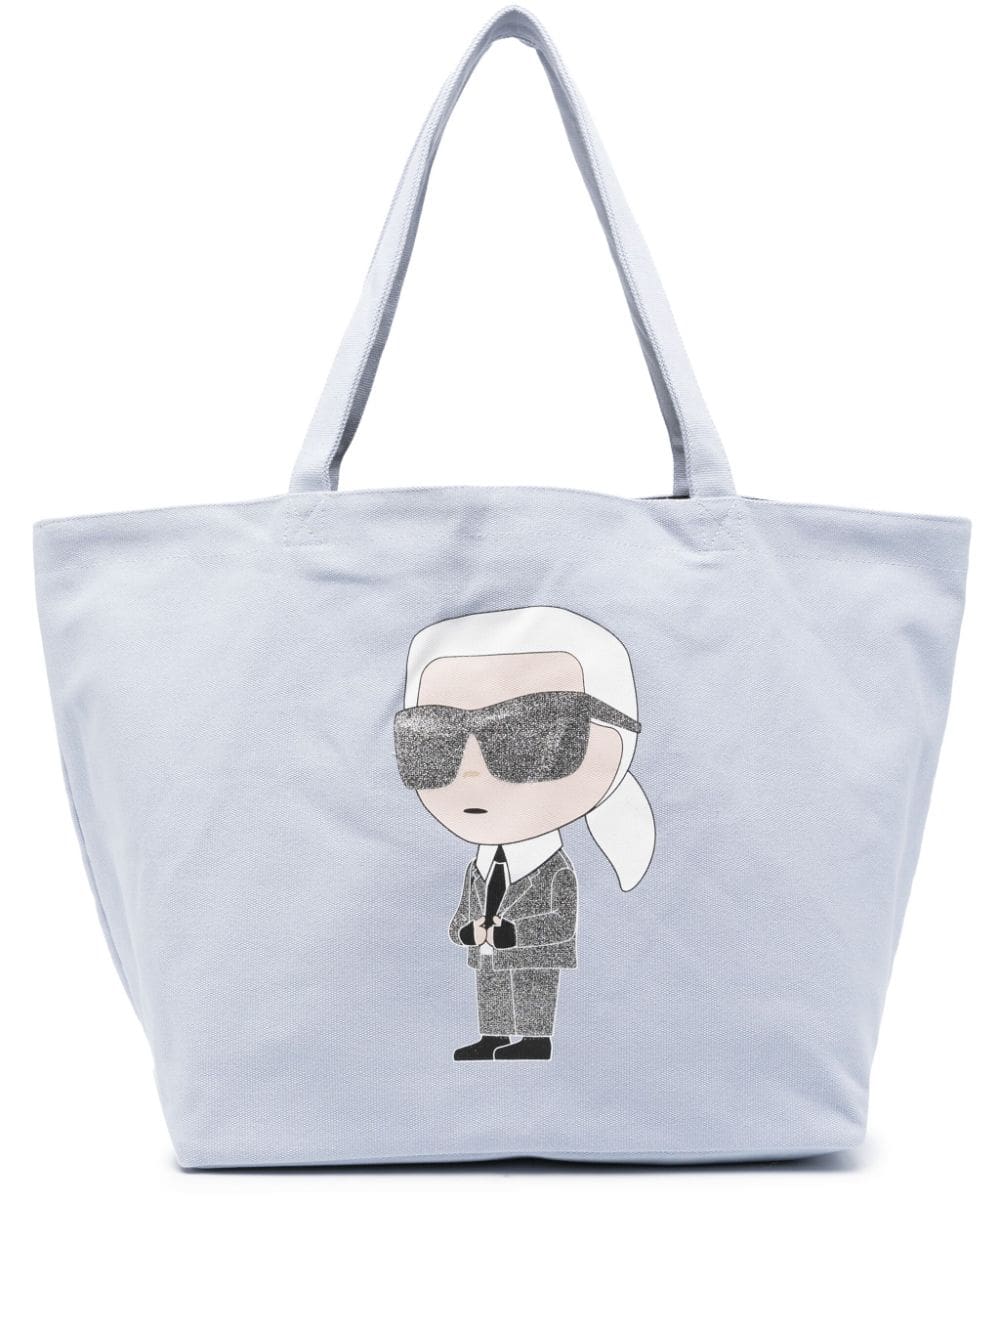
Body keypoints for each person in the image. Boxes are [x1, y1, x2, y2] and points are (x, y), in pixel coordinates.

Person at [393, 606, 655, 1061]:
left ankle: (534, 1039)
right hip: (488, 953)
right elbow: (463, 911)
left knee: (534, 991)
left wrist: (511, 932)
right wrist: (467, 931)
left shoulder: (554, 869)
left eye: (531, 737)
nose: (471, 770)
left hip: (532, 953)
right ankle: (493, 1036)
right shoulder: (478, 869)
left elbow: (561, 920)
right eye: (434, 742)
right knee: (492, 990)